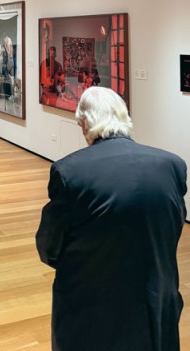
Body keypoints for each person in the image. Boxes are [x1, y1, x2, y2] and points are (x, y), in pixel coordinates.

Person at [35, 87, 187, 351]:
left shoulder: (70, 172)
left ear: (84, 124)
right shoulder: (172, 165)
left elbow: (49, 248)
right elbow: (173, 227)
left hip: (92, 309)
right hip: (156, 302)